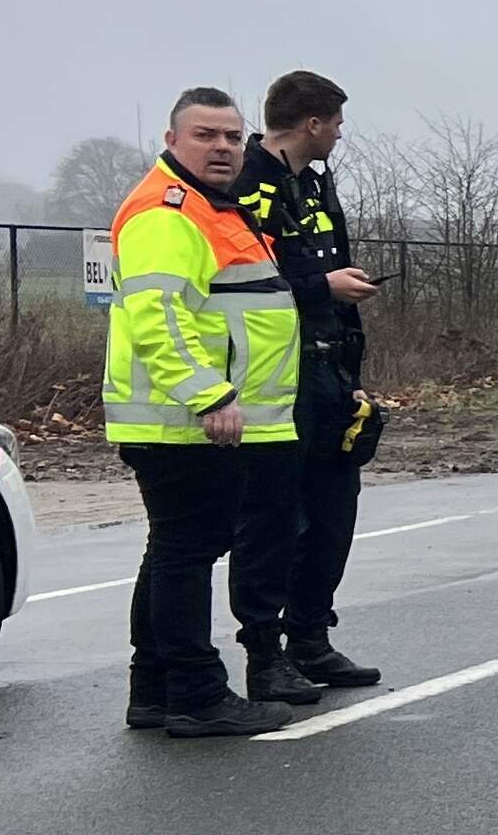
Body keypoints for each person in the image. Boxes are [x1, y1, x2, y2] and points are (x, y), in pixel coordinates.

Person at [105, 88, 303, 736]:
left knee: (172, 550)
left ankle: (155, 688)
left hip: (180, 416)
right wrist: (207, 393)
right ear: (171, 141)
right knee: (186, 554)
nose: (222, 148)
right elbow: (159, 316)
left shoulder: (210, 207)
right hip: (181, 417)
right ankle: (196, 693)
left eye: (231, 137)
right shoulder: (168, 213)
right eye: (205, 135)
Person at [233, 69, 385, 698]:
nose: (341, 135)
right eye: (337, 123)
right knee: (275, 521)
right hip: (275, 380)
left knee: (331, 511)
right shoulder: (249, 190)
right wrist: (322, 286)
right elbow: (243, 286)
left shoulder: (315, 187)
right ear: (313, 123)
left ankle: (312, 639)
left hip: (329, 369)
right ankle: (265, 656)